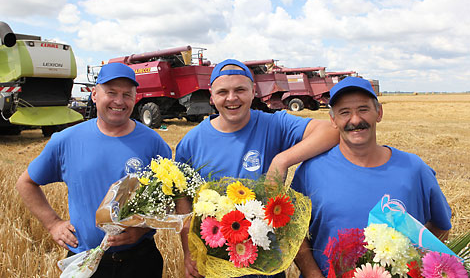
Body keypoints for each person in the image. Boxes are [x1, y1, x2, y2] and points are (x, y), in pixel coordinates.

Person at [288, 74, 452, 276]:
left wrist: (415, 267)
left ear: (379, 112)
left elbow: (441, 227)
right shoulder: (311, 171)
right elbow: (291, 232)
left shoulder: (414, 169)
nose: (355, 120)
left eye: (363, 109)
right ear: (333, 120)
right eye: (344, 112)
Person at [17, 60, 171, 272]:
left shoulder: (153, 142)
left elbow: (169, 197)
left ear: (135, 98)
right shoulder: (66, 140)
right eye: (111, 92)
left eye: (127, 94)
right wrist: (53, 224)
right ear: (95, 95)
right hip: (85, 262)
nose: (119, 101)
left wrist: (143, 229)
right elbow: (26, 182)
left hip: (140, 260)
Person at [175, 58, 333, 196]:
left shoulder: (274, 125)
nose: (231, 98)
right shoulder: (192, 142)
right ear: (212, 96)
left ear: (253, 92)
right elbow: (181, 193)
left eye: (240, 90)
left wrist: (282, 160)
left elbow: (330, 130)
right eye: (222, 92)